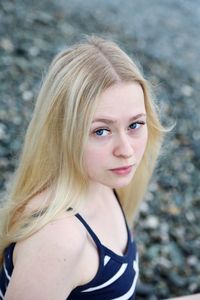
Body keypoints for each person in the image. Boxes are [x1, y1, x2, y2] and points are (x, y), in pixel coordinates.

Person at [0, 35, 166, 299]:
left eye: (135, 125)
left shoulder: (102, 184)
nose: (125, 150)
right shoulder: (57, 240)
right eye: (101, 131)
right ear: (61, 132)